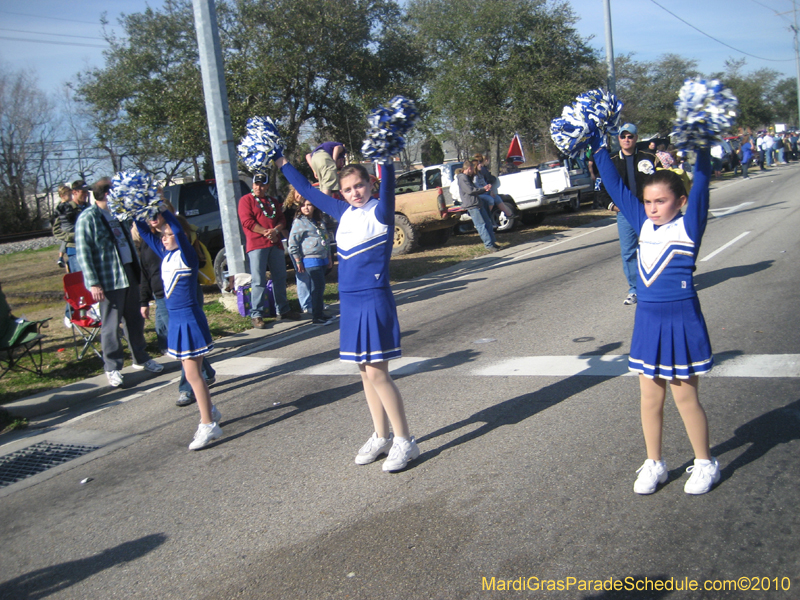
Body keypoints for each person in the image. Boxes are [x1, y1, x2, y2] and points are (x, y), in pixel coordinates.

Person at [276, 154, 420, 472]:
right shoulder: (343, 211)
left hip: (373, 299)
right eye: (348, 189)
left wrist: (387, 160)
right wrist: (282, 162)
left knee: (379, 374)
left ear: (371, 184)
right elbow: (308, 191)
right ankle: (381, 436)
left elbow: (391, 189)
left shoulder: (380, 211)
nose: (355, 192)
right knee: (364, 373)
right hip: (350, 303)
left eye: (360, 185)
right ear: (341, 193)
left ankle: (405, 440)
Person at [593, 138, 719, 496]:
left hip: (680, 320)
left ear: (680, 202)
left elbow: (703, 186)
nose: (652, 208)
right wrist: (598, 148)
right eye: (648, 201)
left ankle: (706, 462)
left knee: (685, 398)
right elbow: (616, 186)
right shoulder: (642, 223)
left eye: (660, 201)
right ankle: (655, 462)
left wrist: (704, 148)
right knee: (650, 399)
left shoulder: (689, 226)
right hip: (647, 322)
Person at [135, 209, 222, 450]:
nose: (163, 237)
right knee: (193, 375)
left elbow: (175, 227)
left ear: (181, 235)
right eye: (161, 234)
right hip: (177, 320)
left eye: (167, 233)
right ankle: (210, 413)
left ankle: (208, 425)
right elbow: (144, 231)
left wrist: (162, 209)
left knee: (193, 374)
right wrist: (135, 208)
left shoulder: (187, 255)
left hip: (189, 319)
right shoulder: (166, 253)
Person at [75, 177, 164, 387]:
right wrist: (93, 283)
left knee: (134, 320)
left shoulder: (117, 214)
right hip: (108, 279)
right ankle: (112, 367)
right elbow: (83, 253)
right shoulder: (88, 218)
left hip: (128, 273)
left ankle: (141, 358)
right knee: (111, 325)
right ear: (107, 194)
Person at [596, 123, 658, 305]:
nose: (626, 139)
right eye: (623, 136)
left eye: (630, 136)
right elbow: (600, 189)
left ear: (636, 138)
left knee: (654, 247)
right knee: (629, 252)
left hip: (647, 211)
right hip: (624, 214)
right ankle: (635, 289)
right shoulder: (612, 160)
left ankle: (657, 284)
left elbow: (662, 180)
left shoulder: (649, 157)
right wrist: (614, 207)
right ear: (619, 139)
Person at [238, 172, 302, 329]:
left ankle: (283, 309)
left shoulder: (272, 202)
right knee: (259, 279)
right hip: (257, 244)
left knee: (280, 277)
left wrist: (276, 230)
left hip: (275, 244)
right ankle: (257, 314)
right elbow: (247, 221)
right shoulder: (246, 200)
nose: (259, 187)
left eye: (262, 184)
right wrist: (266, 232)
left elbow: (281, 219)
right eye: (256, 184)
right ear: (253, 184)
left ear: (267, 186)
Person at [288, 197, 333, 325]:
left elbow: (326, 239)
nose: (306, 208)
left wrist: (329, 257)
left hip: (322, 258)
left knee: (320, 287)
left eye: (309, 205)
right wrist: (298, 260)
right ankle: (317, 317)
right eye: (303, 205)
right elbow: (293, 243)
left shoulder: (318, 220)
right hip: (310, 258)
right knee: (316, 287)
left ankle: (320, 313)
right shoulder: (299, 222)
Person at [457, 160, 499, 251]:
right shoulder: (462, 178)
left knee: (487, 222)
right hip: (471, 204)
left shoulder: (467, 177)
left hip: (477, 202)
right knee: (481, 225)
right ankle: (488, 245)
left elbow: (474, 188)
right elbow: (470, 190)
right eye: (472, 169)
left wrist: (484, 189)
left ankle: (493, 242)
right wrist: (483, 189)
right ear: (469, 168)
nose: (473, 171)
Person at [53, 180, 91, 273]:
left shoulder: (89, 207)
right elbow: (56, 230)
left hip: (91, 248)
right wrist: (74, 236)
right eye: (83, 192)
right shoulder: (65, 208)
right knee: (81, 282)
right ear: (74, 192)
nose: (86, 194)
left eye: (87, 192)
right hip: (75, 250)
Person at [472, 153, 513, 218]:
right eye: (479, 164)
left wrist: (490, 191)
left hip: (484, 192)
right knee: (490, 199)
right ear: (475, 166)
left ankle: (509, 214)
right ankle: (486, 216)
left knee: (496, 197)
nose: (480, 165)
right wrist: (486, 191)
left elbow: (484, 183)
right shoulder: (474, 176)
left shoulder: (480, 174)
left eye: (480, 163)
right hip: (479, 194)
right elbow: (477, 187)